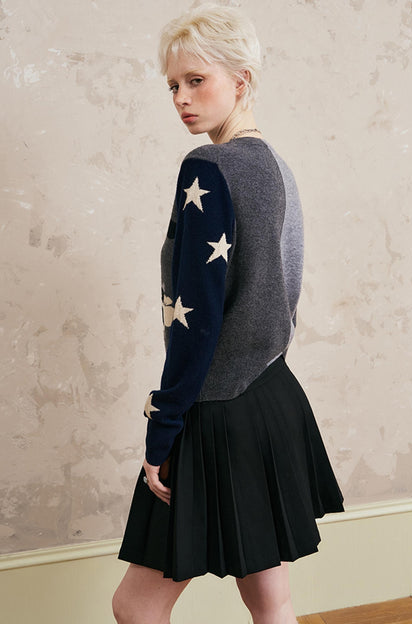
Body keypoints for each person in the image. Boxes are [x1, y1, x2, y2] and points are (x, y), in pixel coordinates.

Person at [112, 4, 344, 623]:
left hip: (215, 408)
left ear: (240, 80)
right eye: (172, 85)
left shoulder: (208, 168)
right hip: (274, 398)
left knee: (135, 606)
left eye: (196, 80)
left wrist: (163, 426)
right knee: (272, 603)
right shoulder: (279, 168)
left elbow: (198, 319)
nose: (181, 99)